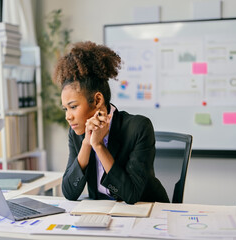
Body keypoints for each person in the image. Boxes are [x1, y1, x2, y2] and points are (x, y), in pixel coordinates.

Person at [53, 41, 169, 204]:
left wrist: (99, 146)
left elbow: (131, 195)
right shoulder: (77, 134)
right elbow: (69, 193)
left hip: (148, 212)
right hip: (106, 215)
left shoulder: (138, 128)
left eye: (73, 107)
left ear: (97, 100)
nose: (68, 116)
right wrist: (87, 144)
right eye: (66, 109)